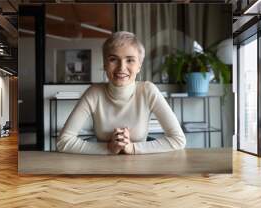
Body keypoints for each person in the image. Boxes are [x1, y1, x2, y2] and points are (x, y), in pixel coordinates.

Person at [57, 31, 186, 154]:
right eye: (113, 59)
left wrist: (132, 148)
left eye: (130, 60)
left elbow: (178, 140)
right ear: (105, 64)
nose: (121, 68)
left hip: (140, 168)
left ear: (139, 66)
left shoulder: (148, 91)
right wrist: (108, 148)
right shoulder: (94, 93)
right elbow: (63, 141)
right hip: (102, 168)